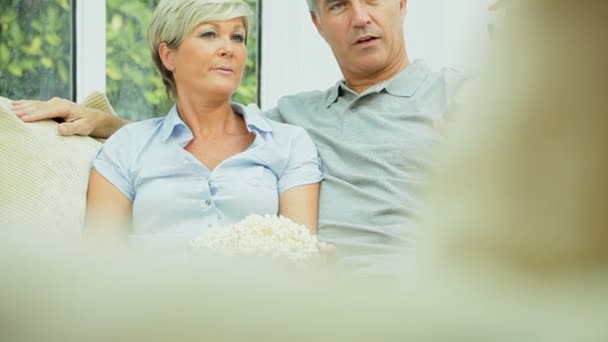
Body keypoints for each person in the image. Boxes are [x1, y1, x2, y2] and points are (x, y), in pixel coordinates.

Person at [12, 0, 466, 273]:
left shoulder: (463, 97)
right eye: (337, 5)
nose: (361, 17)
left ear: (402, 2)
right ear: (318, 24)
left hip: (418, 291)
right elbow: (204, 136)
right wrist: (104, 124)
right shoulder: (295, 119)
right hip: (315, 304)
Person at [44, 0, 323, 249]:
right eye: (209, 34)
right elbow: (99, 258)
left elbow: (298, 251)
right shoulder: (126, 146)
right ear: (168, 56)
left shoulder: (289, 143)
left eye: (237, 37)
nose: (229, 48)